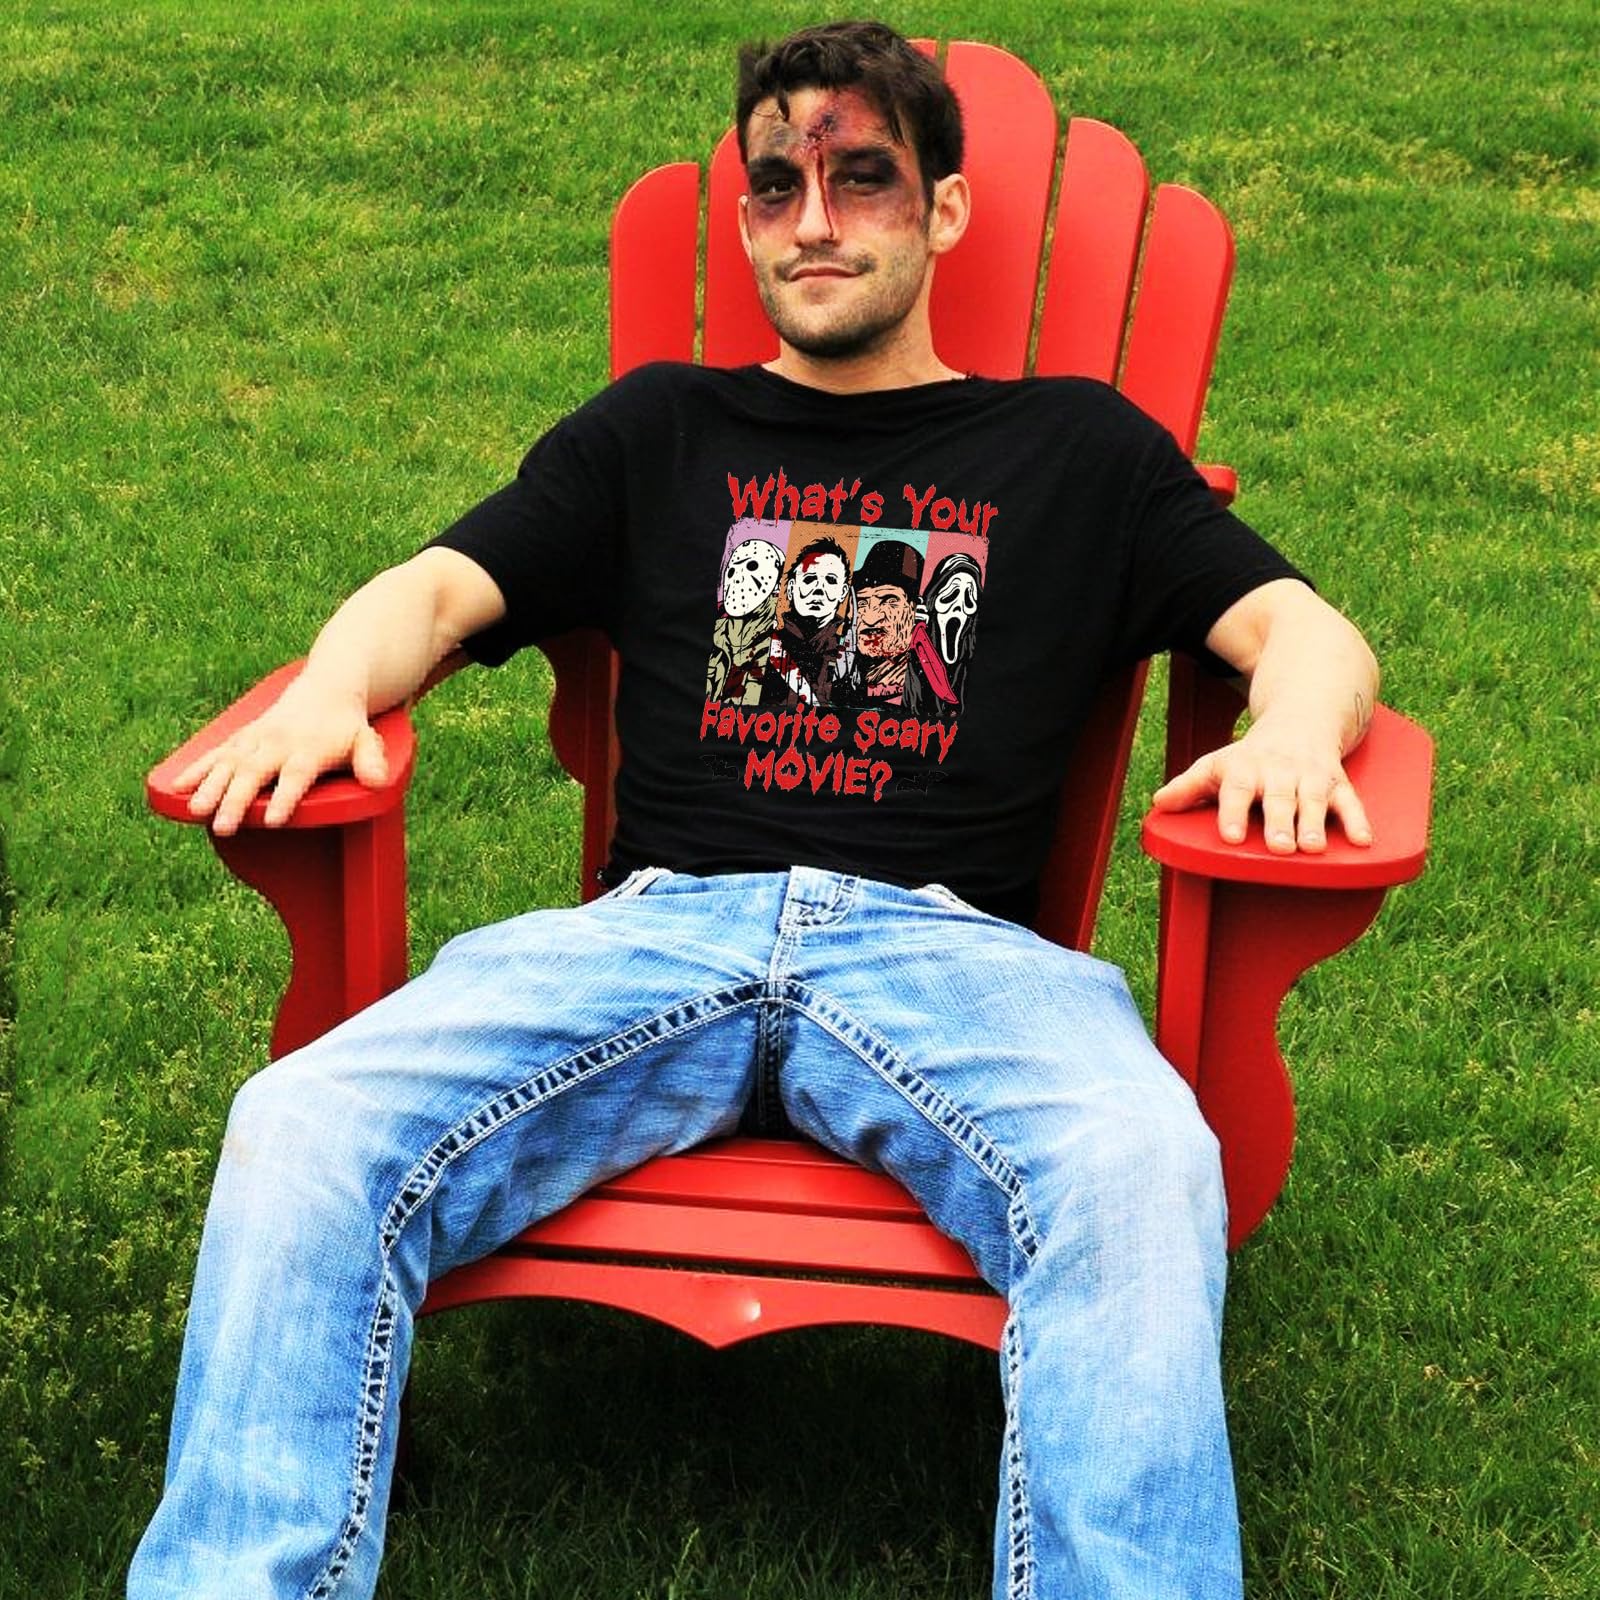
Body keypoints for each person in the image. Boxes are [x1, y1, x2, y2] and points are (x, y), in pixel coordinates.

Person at [129, 20, 1379, 1600]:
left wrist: (1295, 729)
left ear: (945, 210)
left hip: (952, 957)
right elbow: (437, 590)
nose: (814, 222)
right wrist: (329, 687)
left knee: (1135, 1167)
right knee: (303, 1124)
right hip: (658, 935)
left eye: (864, 181)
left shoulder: (1080, 450)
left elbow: (1306, 632)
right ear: (741, 219)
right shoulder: (658, 427)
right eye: (779, 185)